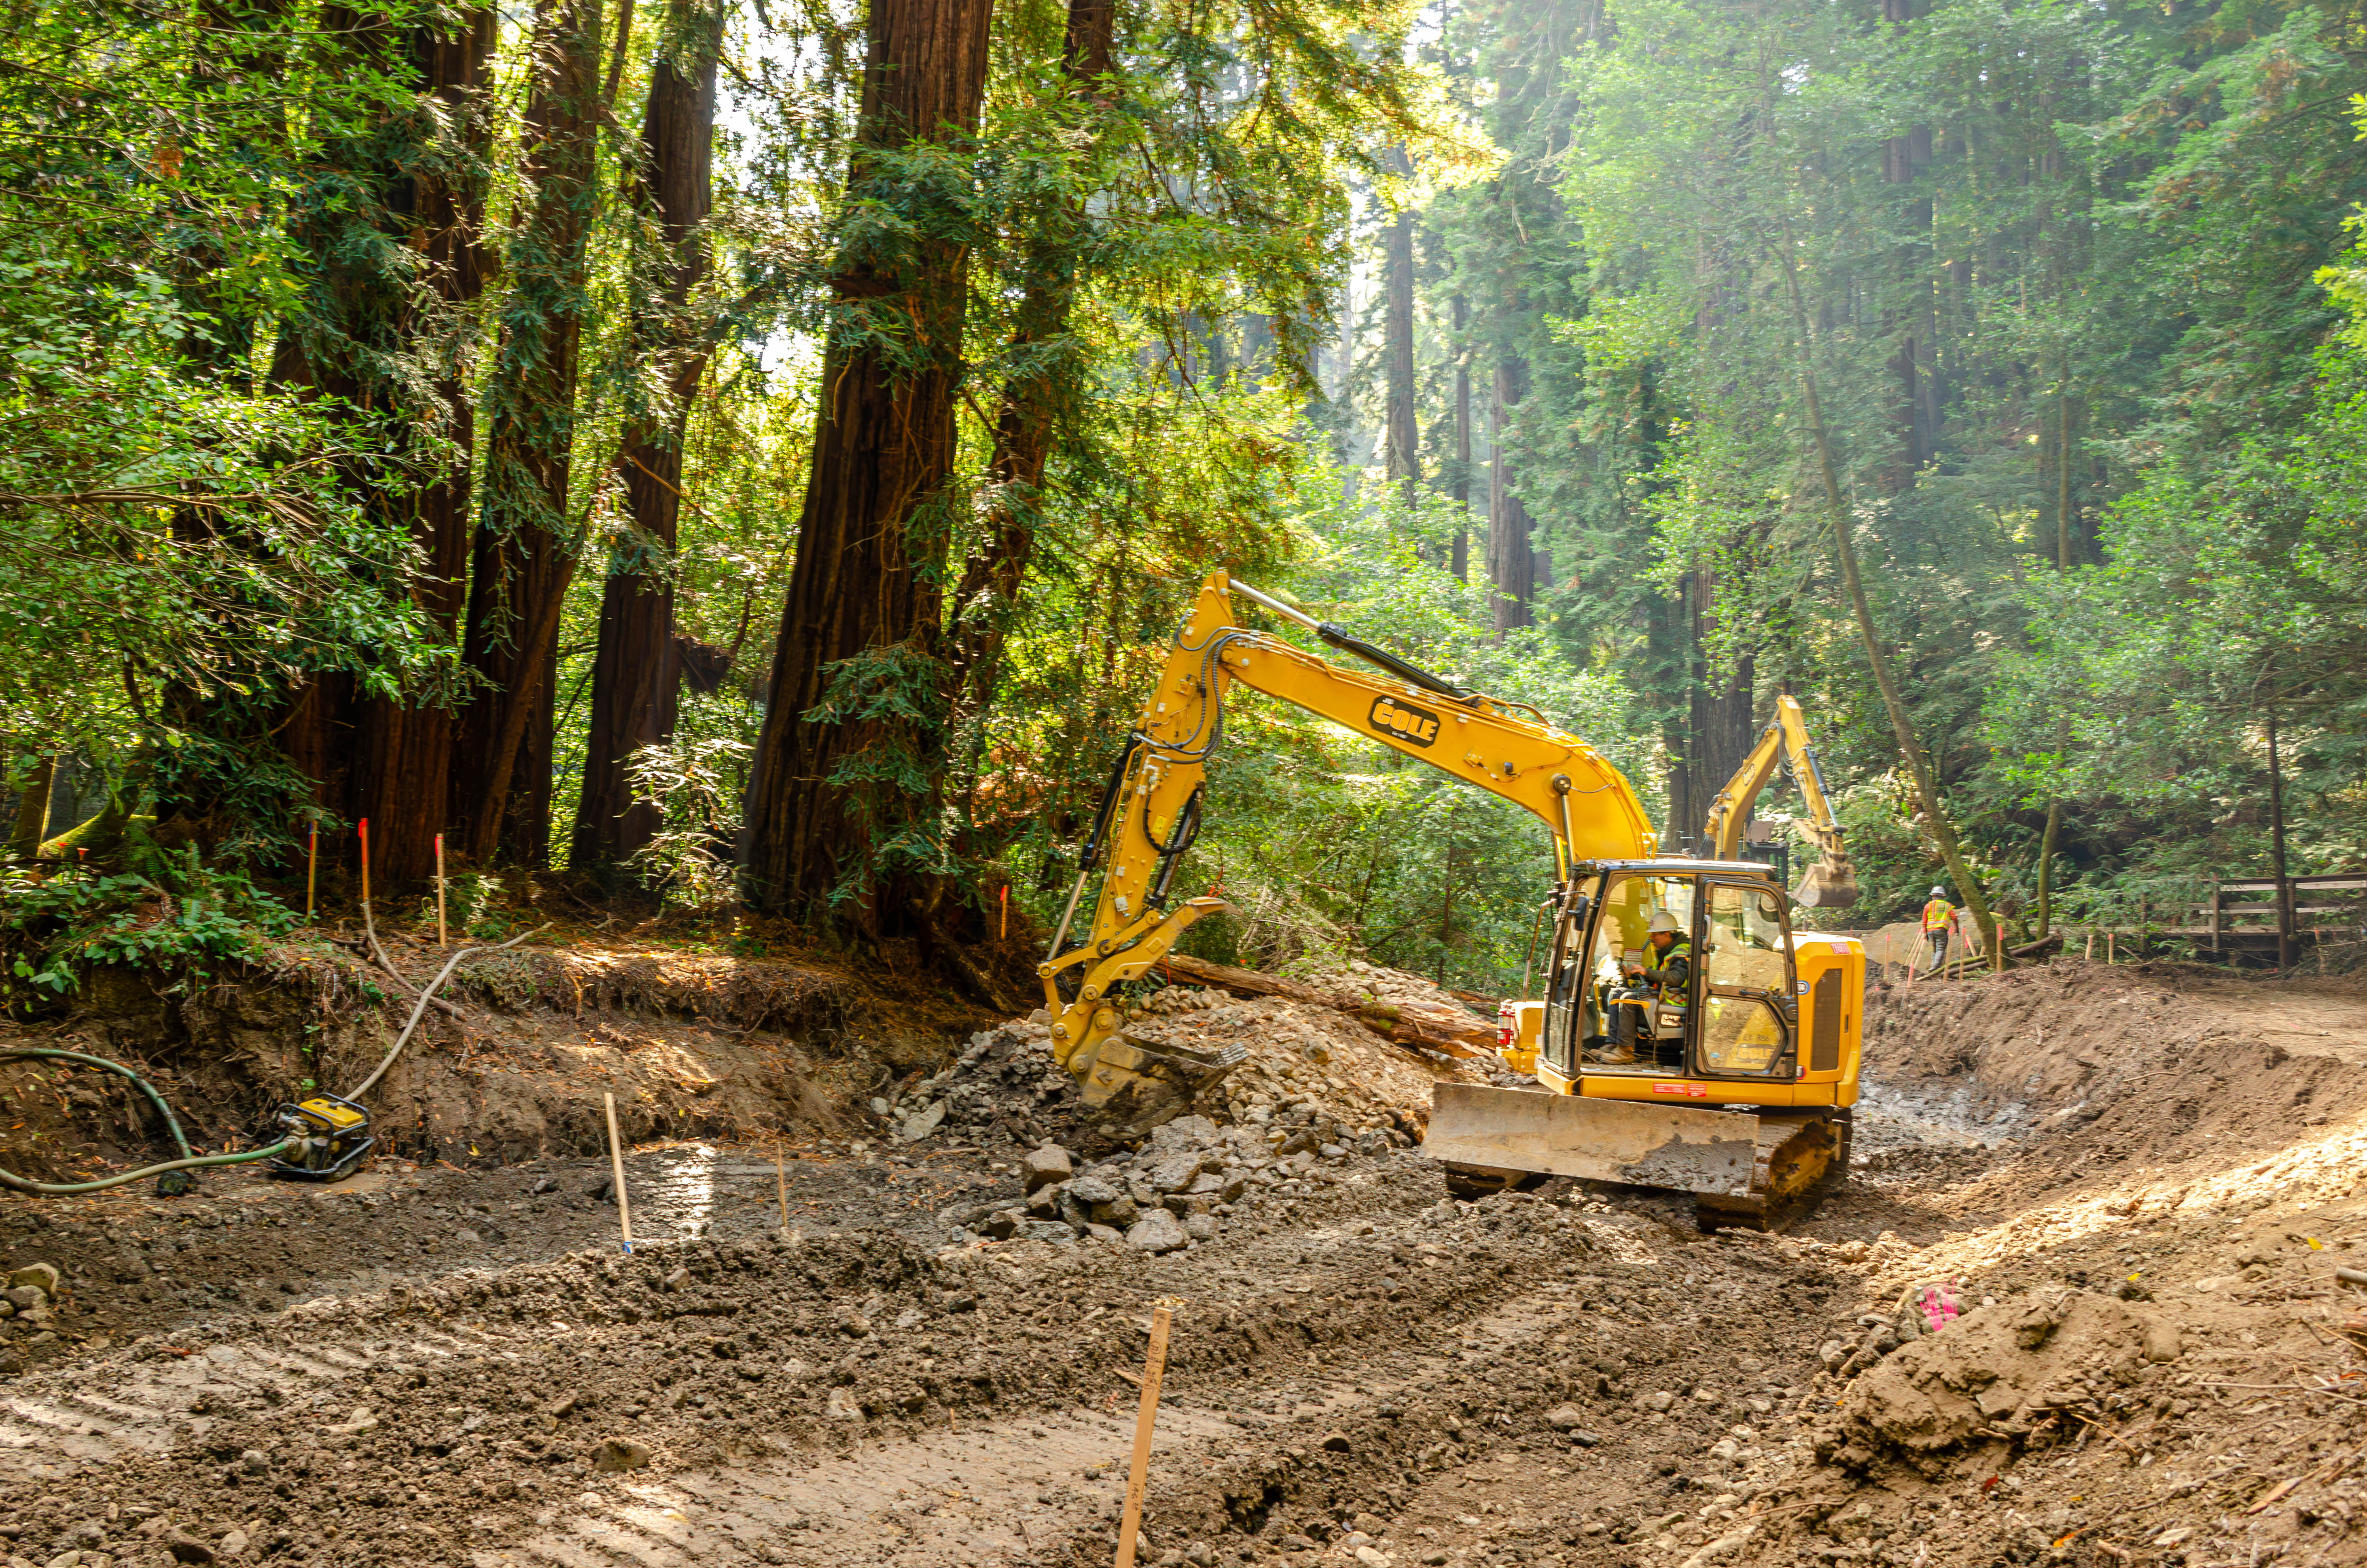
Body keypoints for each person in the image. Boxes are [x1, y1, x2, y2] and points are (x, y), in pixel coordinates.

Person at [1921, 886, 1954, 973]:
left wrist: (1925, 933)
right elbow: (1954, 917)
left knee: (1935, 949)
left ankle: (1934, 965)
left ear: (1933, 896)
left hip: (1930, 931)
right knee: (1940, 949)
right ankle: (1935, 966)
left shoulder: (1928, 906)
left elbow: (1924, 921)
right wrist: (1957, 928)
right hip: (1941, 930)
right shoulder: (1947, 905)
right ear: (1943, 896)